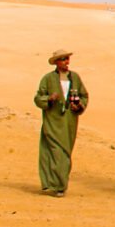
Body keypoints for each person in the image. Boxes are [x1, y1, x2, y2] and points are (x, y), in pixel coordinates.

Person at [34, 49, 88, 197]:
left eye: (67, 59)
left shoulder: (75, 78)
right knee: (54, 152)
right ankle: (56, 185)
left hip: (69, 121)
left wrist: (79, 106)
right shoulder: (48, 79)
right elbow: (38, 98)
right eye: (63, 59)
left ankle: (58, 185)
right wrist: (49, 99)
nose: (66, 62)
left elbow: (84, 96)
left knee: (65, 152)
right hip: (53, 120)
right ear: (57, 62)